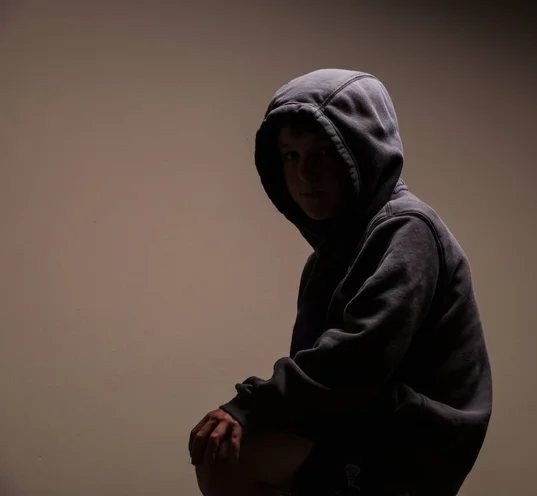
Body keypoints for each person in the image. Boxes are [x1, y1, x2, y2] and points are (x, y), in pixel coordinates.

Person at [188, 68, 493, 495]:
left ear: (365, 151)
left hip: (413, 436)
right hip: (365, 418)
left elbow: (358, 358)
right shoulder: (330, 258)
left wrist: (249, 405)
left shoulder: (407, 229)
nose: (304, 174)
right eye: (291, 155)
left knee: (236, 450)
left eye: (324, 152)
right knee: (222, 452)